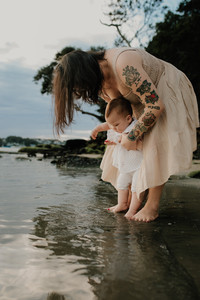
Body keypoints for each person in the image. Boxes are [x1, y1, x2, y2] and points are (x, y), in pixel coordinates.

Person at [53, 47, 199, 222]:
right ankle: (130, 200)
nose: (80, 91)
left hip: (165, 87)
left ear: (84, 75)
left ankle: (151, 206)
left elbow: (155, 105)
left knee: (154, 142)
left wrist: (132, 136)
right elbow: (121, 114)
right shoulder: (99, 84)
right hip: (140, 101)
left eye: (78, 86)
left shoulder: (124, 64)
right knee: (132, 152)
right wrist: (120, 136)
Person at [91, 97, 143, 219]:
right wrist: (97, 129)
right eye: (112, 125)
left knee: (136, 187)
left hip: (138, 165)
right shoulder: (119, 126)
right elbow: (107, 125)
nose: (113, 128)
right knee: (121, 184)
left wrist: (124, 138)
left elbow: (135, 140)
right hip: (125, 166)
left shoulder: (134, 127)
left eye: (116, 125)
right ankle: (122, 204)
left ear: (128, 118)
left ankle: (133, 210)